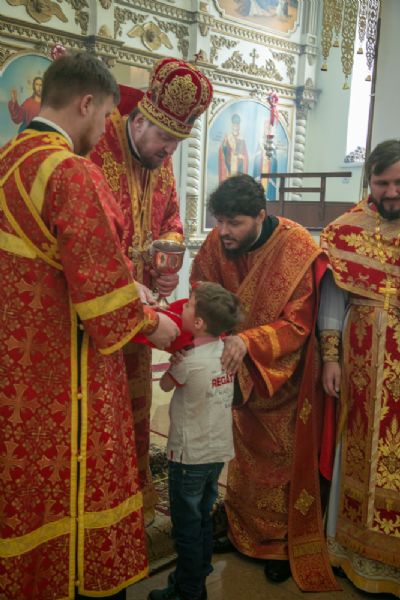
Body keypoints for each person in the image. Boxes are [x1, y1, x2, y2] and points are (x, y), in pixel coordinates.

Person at [0, 51, 179, 600]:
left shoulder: (8, 159)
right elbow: (104, 298)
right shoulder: (71, 171)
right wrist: (157, 324)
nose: (104, 131)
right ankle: (78, 580)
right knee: (78, 482)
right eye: (104, 117)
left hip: (17, 365)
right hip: (67, 371)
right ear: (85, 104)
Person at [190, 174, 339, 592]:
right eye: (219, 221)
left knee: (279, 460)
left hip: (283, 374)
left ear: (260, 215)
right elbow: (201, 288)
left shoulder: (297, 249)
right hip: (237, 373)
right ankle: (242, 532)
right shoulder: (217, 242)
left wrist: (249, 341)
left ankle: (278, 546)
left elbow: (298, 323)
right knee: (242, 459)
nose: (223, 231)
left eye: (234, 223)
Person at [90, 58, 213, 523]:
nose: (169, 152)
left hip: (143, 317)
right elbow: (88, 240)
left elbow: (172, 221)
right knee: (102, 412)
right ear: (139, 120)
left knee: (135, 408)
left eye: (178, 143)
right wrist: (129, 278)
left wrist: (167, 261)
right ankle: (99, 506)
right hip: (102, 310)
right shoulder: (95, 145)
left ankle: (133, 496)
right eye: (164, 138)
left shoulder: (160, 161)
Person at [319, 139, 400, 597]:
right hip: (361, 361)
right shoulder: (346, 231)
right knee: (358, 447)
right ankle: (350, 550)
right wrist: (331, 358)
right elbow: (333, 301)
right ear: (369, 180)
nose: (391, 192)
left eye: (399, 182)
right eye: (382, 182)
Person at [149, 282, 241, 600]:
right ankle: (197, 576)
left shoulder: (189, 362)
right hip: (217, 453)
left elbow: (164, 385)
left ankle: (188, 591)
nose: (183, 308)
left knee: (186, 526)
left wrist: (175, 363)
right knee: (202, 518)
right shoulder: (227, 354)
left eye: (188, 306)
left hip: (188, 456)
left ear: (198, 322)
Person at [218, 113, 248, 182]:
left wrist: (243, 157)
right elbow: (223, 152)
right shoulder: (228, 137)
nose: (236, 127)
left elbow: (245, 156)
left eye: (237, 125)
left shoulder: (242, 139)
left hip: (239, 168)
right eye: (234, 125)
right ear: (232, 125)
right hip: (229, 167)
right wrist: (224, 145)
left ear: (239, 126)